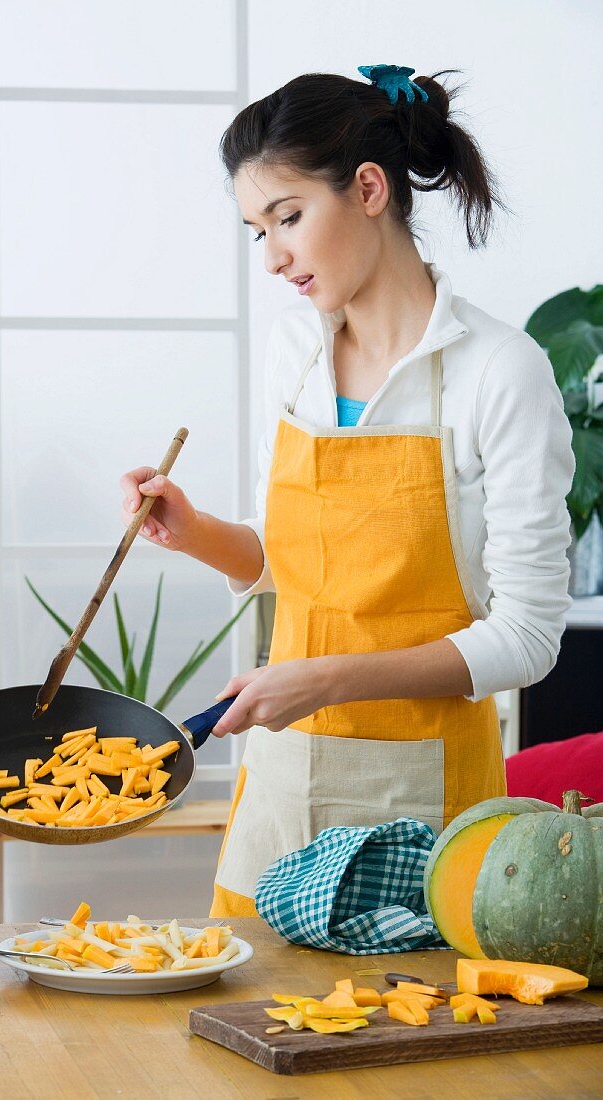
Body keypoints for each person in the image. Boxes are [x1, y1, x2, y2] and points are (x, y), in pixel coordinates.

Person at [119, 66, 575, 918]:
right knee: (250, 1030)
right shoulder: (291, 353)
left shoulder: (497, 371)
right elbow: (282, 557)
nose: (273, 258)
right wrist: (195, 531)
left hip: (427, 796)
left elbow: (525, 638)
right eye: (256, 230)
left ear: (369, 189)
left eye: (287, 218)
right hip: (285, 778)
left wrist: (326, 680)